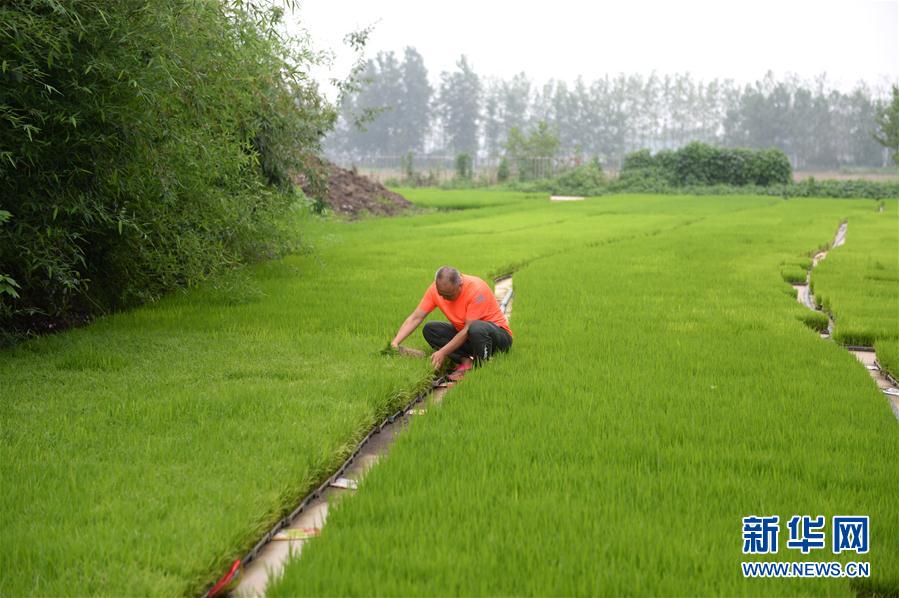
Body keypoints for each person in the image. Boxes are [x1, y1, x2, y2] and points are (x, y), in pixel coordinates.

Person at [390, 266, 513, 380]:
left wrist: (443, 352)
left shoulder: (477, 290)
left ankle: (479, 369)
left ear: (460, 284)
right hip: (470, 337)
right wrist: (395, 343)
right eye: (441, 294)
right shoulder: (435, 290)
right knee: (430, 329)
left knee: (476, 328)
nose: (444, 299)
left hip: (496, 338)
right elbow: (416, 317)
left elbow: (467, 330)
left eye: (449, 295)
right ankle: (465, 361)